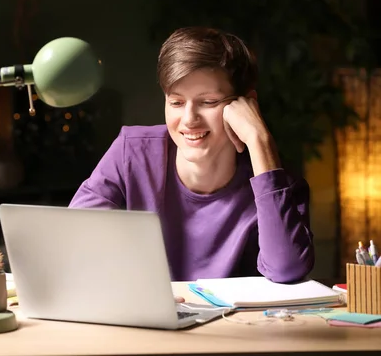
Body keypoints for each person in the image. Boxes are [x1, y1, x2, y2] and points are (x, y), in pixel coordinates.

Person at [69, 27, 314, 284]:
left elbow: (287, 270)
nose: (189, 119)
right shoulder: (132, 151)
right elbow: (73, 239)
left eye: (208, 102)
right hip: (146, 321)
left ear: (246, 105)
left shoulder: (275, 179)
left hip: (233, 324)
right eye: (176, 102)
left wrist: (259, 139)